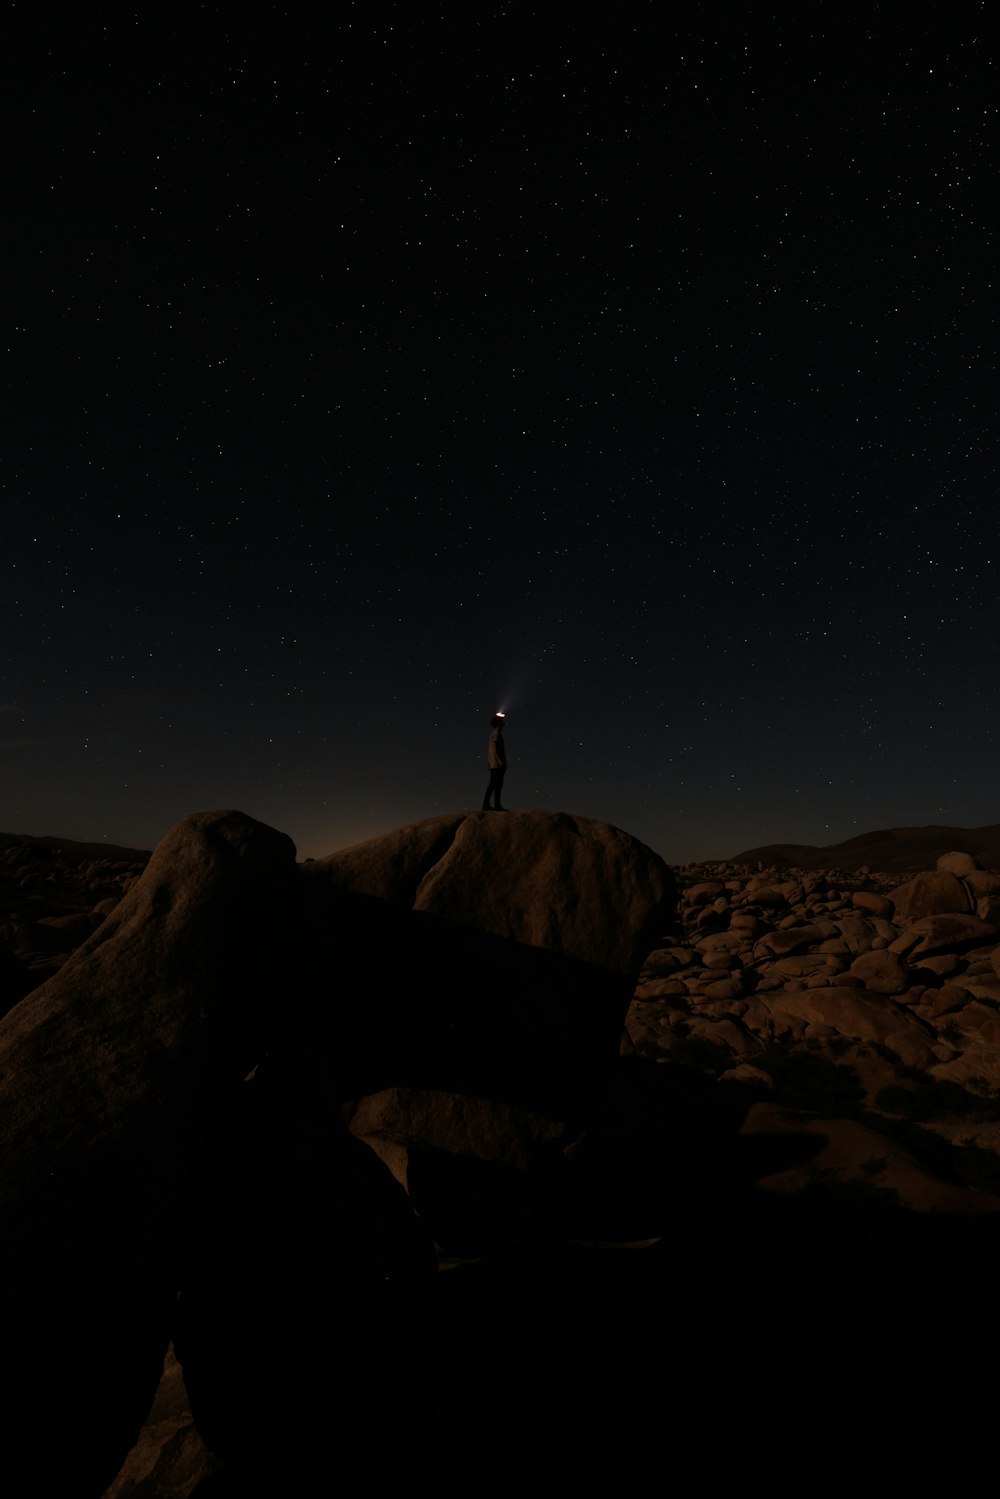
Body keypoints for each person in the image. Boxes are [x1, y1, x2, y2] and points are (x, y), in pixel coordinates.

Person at [482, 711, 508, 810]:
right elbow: (494, 748)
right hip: (497, 764)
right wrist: (499, 760)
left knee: (497, 784)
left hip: (496, 764)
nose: (503, 722)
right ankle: (487, 805)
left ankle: (496, 805)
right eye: (501, 721)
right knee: (494, 783)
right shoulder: (496, 733)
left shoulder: (496, 733)